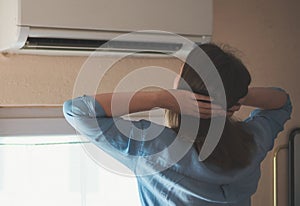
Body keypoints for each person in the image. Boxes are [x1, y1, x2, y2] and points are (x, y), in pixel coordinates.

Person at [63, 43, 292, 206]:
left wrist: (160, 99)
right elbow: (282, 102)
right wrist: (235, 95)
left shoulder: (153, 146)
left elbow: (77, 111)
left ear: (183, 86)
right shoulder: (252, 142)